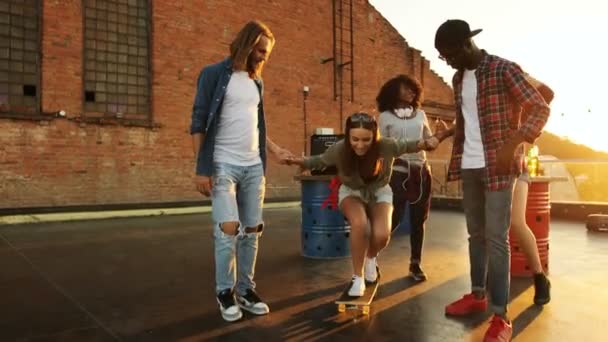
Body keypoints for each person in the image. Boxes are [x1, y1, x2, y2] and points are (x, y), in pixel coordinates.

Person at [434, 19, 550, 342]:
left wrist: (514, 143)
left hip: (499, 166)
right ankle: (477, 294)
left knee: (497, 238)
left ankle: (501, 315)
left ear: (467, 44)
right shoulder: (458, 79)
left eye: (450, 54)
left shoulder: (503, 70)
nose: (448, 61)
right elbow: (467, 121)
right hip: (469, 165)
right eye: (442, 57)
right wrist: (446, 134)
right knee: (476, 234)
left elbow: (539, 108)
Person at [190, 20, 292, 322]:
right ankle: (225, 292)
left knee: (251, 231)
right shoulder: (212, 75)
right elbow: (198, 121)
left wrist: (275, 151)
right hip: (222, 163)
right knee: (228, 229)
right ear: (246, 44)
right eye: (260, 50)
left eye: (267, 52)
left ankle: (246, 290)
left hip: (253, 166)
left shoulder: (255, 82)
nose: (263, 56)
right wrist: (200, 169)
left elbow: (257, 127)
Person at [284, 112, 439, 296]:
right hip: (351, 192)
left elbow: (410, 144)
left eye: (366, 140)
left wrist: (430, 142)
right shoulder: (340, 149)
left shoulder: (385, 146)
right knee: (360, 224)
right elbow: (319, 160)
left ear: (375, 137)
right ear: (348, 136)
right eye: (355, 139)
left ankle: (371, 258)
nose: (360, 145)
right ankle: (358, 278)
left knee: (382, 234)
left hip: (379, 191)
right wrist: (296, 160)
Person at [435, 75, 554, 306]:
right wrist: (443, 134)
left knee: (516, 223)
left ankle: (540, 277)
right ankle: (484, 285)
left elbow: (547, 95)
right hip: (483, 165)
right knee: (482, 229)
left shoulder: (509, 79)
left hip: (515, 164)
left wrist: (524, 78)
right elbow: (466, 123)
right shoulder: (474, 90)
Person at [377, 74, 433, 281]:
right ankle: (371, 258)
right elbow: (380, 147)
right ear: (394, 91)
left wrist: (439, 137)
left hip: (421, 171)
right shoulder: (385, 117)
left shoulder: (421, 114)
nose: (411, 92)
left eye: (413, 89)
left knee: (419, 220)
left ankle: (415, 264)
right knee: (394, 218)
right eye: (406, 88)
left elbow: (429, 141)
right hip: (397, 173)